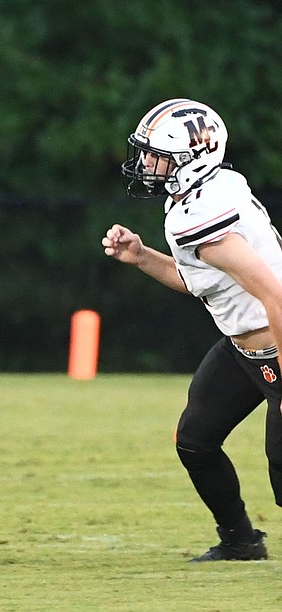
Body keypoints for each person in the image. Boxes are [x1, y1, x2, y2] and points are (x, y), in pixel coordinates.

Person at [102, 98, 282, 561]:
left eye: (156, 156)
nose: (145, 165)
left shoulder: (201, 214)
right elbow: (203, 282)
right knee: (196, 440)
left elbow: (276, 297)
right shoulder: (206, 195)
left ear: (193, 157)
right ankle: (241, 542)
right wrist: (142, 256)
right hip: (243, 347)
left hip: (276, 344)